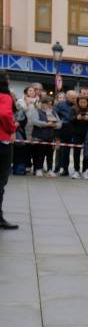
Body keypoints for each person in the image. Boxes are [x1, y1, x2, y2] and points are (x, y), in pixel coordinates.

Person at [66, 94, 88, 179]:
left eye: (84, 102)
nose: (83, 104)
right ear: (78, 102)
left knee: (87, 153)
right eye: (81, 102)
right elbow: (70, 120)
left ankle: (85, 171)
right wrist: (76, 118)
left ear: (87, 103)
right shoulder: (73, 109)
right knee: (76, 153)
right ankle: (76, 170)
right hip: (77, 133)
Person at [0, 73, 15, 229]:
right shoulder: (5, 96)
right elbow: (4, 113)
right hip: (2, 141)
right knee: (1, 181)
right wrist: (11, 128)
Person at [52, 90, 75, 177]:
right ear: (67, 97)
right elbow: (54, 113)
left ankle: (65, 168)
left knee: (66, 150)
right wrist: (60, 120)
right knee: (59, 149)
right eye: (72, 98)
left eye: (75, 97)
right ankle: (58, 167)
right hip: (62, 129)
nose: (74, 99)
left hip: (71, 129)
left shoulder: (76, 104)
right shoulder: (61, 104)